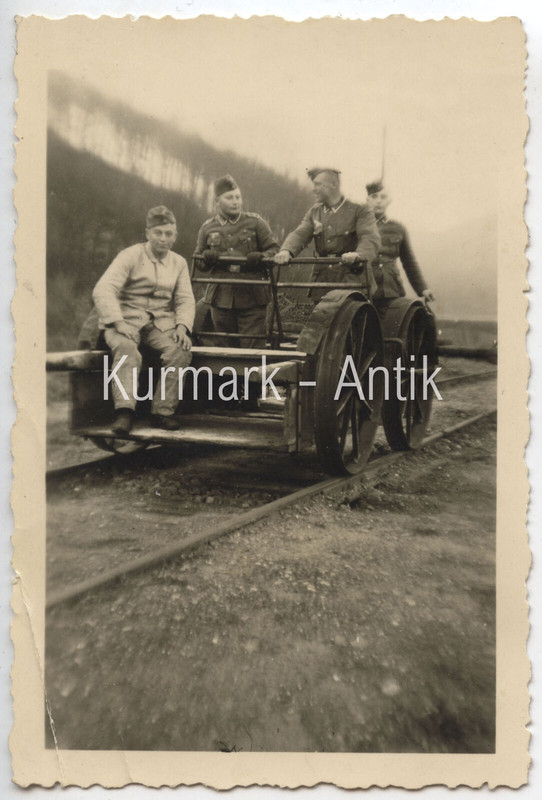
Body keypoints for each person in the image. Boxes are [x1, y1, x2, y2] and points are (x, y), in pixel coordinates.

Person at [92, 205, 195, 435]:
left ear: (175, 236)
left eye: (168, 234)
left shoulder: (179, 263)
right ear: (148, 233)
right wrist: (118, 322)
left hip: (159, 324)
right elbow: (103, 289)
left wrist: (182, 327)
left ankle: (162, 412)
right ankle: (124, 412)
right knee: (128, 350)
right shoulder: (130, 255)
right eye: (158, 232)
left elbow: (185, 299)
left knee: (180, 350)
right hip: (124, 320)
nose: (163, 239)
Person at [195, 175, 279, 348]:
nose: (235, 202)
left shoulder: (255, 223)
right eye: (229, 198)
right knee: (225, 348)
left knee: (253, 350)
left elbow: (274, 251)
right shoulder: (207, 227)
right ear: (217, 201)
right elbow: (198, 262)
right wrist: (206, 258)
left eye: (238, 197)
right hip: (220, 297)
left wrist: (261, 258)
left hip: (252, 296)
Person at [274, 168, 380, 301]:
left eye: (318, 184)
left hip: (352, 279)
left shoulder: (359, 209)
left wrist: (358, 255)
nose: (314, 189)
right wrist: (286, 251)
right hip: (323, 281)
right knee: (320, 314)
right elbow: (300, 234)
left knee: (350, 312)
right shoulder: (315, 211)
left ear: (334, 184)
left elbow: (369, 238)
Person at [365, 180, 434, 305]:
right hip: (364, 290)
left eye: (383, 197)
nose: (379, 201)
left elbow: (409, 262)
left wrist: (422, 289)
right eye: (374, 197)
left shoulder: (398, 228)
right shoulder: (356, 226)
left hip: (391, 291)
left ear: (389, 201)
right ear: (367, 200)